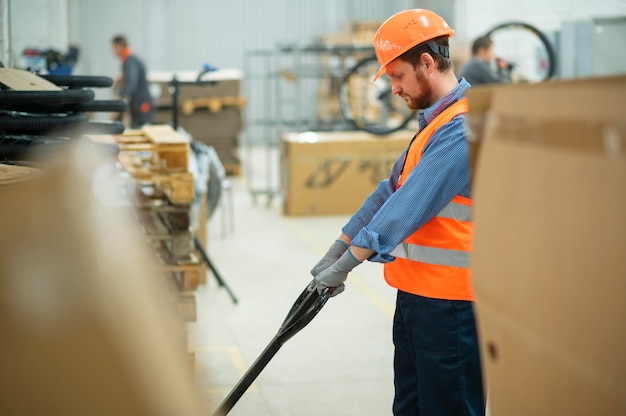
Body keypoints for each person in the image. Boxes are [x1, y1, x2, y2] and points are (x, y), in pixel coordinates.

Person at [311, 9, 485, 416]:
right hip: (416, 300)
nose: (393, 89)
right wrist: (338, 248)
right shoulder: (433, 124)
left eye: (397, 76)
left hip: (451, 308)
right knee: (409, 408)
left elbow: (405, 209)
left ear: (426, 62)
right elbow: (388, 192)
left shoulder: (462, 128)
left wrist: (347, 266)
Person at [111, 35, 154, 128]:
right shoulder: (130, 60)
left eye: (114, 47)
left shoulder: (130, 61)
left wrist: (120, 96)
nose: (112, 51)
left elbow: (131, 83)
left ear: (120, 45)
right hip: (138, 104)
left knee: (141, 130)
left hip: (141, 104)